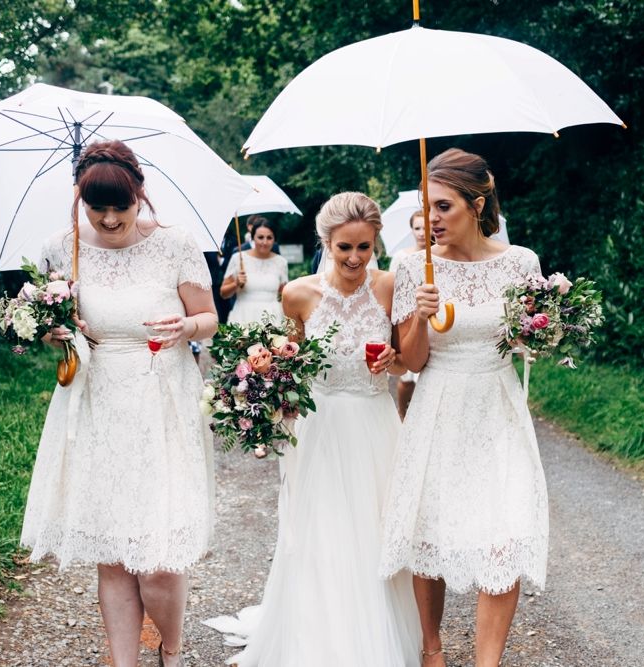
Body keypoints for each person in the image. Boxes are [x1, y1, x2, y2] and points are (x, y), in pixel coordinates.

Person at [20, 139, 218, 667]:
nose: (109, 219)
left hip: (161, 404)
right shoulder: (61, 248)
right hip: (97, 405)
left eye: (120, 207)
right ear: (80, 200)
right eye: (96, 207)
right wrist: (56, 331)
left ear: (140, 195)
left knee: (158, 560)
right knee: (113, 555)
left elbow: (210, 318)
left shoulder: (175, 244)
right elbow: (44, 330)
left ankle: (168, 653)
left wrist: (186, 325)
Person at [209, 192, 420, 666]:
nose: (354, 258)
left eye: (364, 247)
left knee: (372, 528)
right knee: (321, 529)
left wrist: (395, 357)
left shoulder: (389, 286)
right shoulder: (298, 293)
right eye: (344, 247)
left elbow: (408, 357)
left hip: (372, 421)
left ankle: (373, 638)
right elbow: (291, 363)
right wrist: (263, 395)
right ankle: (318, 638)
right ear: (326, 241)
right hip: (319, 425)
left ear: (375, 245)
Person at [379, 148, 549, 667]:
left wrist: (543, 332)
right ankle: (432, 651)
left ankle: (487, 662)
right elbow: (411, 361)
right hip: (438, 406)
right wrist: (421, 319)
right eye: (427, 208)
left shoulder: (521, 262)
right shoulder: (411, 266)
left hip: (497, 409)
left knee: (505, 531)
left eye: (444, 207)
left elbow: (531, 340)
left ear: (477, 204)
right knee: (430, 528)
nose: (431, 220)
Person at [388, 209, 427, 420]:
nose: (421, 232)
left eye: (424, 227)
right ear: (411, 230)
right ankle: (402, 412)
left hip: (429, 316)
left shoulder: (439, 255)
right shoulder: (401, 257)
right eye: (417, 228)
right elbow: (393, 288)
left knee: (424, 375)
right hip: (407, 315)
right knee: (407, 377)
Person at [219, 218, 288, 324]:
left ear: (274, 240)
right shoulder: (238, 258)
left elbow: (284, 294)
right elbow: (223, 293)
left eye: (269, 238)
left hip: (272, 318)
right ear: (253, 238)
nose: (264, 242)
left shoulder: (281, 262)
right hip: (244, 316)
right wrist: (236, 284)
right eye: (260, 237)